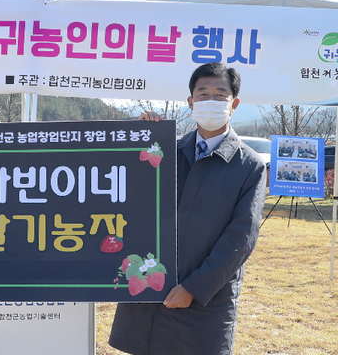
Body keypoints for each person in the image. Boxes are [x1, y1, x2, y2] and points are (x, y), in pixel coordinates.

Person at [109, 62, 267, 355]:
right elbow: (128, 194)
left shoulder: (250, 166)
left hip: (205, 300)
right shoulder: (165, 151)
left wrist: (194, 288)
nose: (211, 101)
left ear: (234, 104)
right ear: (191, 102)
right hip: (150, 289)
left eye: (220, 95)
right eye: (203, 93)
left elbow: (241, 236)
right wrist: (140, 138)